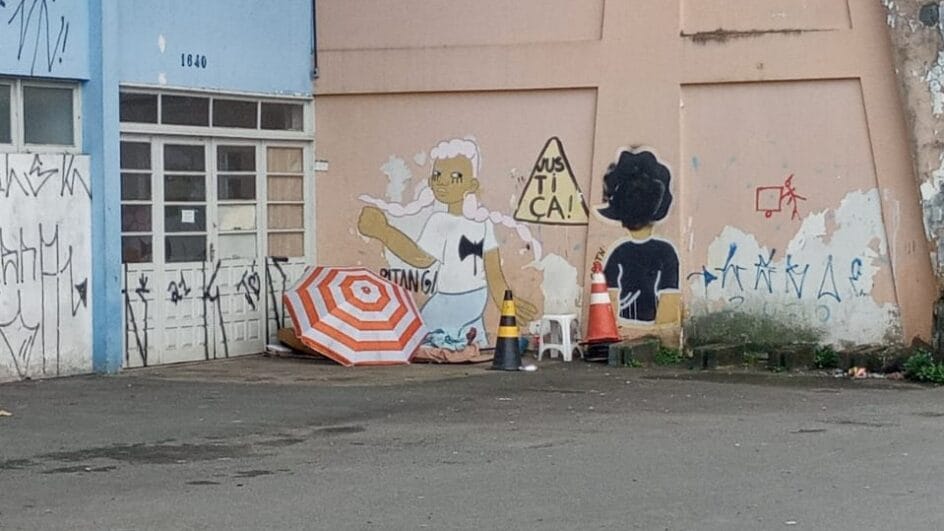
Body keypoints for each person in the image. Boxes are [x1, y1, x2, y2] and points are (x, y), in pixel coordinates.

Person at [358, 138, 537, 348]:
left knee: (420, 335)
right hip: (477, 298)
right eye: (437, 175)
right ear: (431, 181)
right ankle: (474, 344)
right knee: (470, 338)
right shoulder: (483, 223)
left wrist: (384, 232)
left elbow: (421, 259)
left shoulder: (440, 221)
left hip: (451, 298)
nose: (442, 182)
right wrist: (505, 303)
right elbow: (494, 274)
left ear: (472, 185)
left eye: (455, 177)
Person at [596, 149, 680, 325]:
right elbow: (668, 312)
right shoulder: (666, 252)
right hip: (645, 327)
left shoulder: (620, 252)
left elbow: (608, 308)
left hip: (624, 327)